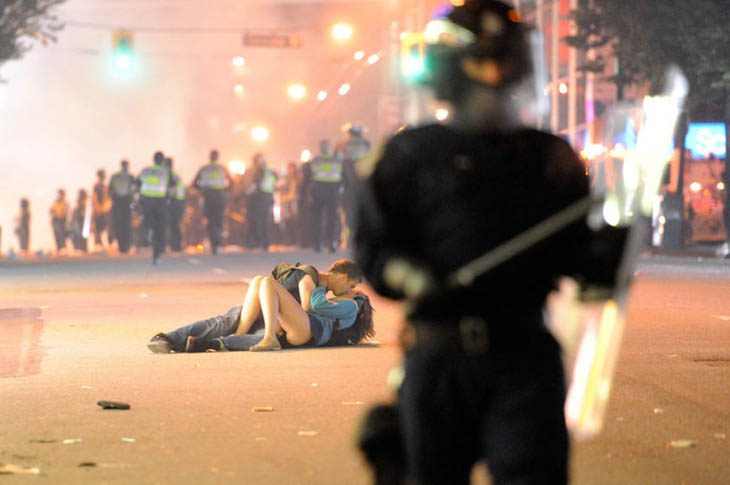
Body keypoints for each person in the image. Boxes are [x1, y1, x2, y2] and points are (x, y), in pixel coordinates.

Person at [354, 2, 625, 484]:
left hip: (524, 357)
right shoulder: (410, 155)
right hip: (439, 358)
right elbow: (376, 251)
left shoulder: (550, 159)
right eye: (482, 64)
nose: (493, 81)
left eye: (503, 63)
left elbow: (580, 262)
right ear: (451, 72)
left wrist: (608, 255)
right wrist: (413, 277)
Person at [147, 259, 363, 353]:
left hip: (274, 316)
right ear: (343, 276)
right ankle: (170, 339)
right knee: (227, 321)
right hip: (269, 312)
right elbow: (308, 307)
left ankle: (175, 341)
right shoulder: (311, 277)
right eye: (350, 285)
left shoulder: (327, 292)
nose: (348, 291)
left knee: (226, 324)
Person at [193, 149, 233, 255]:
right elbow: (231, 182)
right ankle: (218, 243)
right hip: (220, 196)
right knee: (219, 219)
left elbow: (195, 184)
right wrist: (225, 191)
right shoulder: (222, 169)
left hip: (208, 196)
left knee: (210, 220)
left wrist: (202, 191)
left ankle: (213, 244)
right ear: (217, 157)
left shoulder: (204, 169)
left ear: (209, 157)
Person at [137, 151, 173, 264]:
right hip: (160, 202)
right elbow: (173, 187)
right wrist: (169, 198)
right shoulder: (166, 172)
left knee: (146, 221)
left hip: (146, 201)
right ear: (162, 160)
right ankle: (157, 253)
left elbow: (136, 184)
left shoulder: (146, 170)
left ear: (153, 159)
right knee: (160, 227)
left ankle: (147, 232)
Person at [310, 140, 343, 253]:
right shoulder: (336, 160)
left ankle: (318, 244)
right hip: (333, 192)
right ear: (329, 148)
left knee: (318, 218)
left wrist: (304, 191)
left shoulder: (316, 160)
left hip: (318, 192)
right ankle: (332, 242)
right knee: (332, 218)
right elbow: (345, 176)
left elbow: (308, 177)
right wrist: (343, 189)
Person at [245, 152, 276, 251]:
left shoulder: (260, 169)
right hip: (268, 196)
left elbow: (255, 183)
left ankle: (259, 242)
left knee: (257, 220)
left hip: (260, 197)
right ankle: (266, 242)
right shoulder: (269, 169)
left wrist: (247, 193)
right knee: (265, 220)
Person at [109, 159, 135, 253]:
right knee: (126, 225)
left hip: (117, 203)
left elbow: (110, 191)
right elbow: (133, 191)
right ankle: (125, 246)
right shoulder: (130, 177)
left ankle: (122, 246)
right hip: (126, 203)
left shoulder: (115, 177)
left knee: (119, 225)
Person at [165, 157, 186, 252]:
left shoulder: (168, 175)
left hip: (172, 201)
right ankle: (176, 245)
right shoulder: (176, 174)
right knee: (175, 224)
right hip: (179, 202)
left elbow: (173, 189)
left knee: (169, 224)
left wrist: (168, 199)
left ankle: (173, 245)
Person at [92, 169, 111, 250]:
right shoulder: (97, 185)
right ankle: (98, 245)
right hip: (99, 209)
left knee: (104, 227)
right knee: (99, 227)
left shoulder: (105, 186)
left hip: (105, 209)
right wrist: (97, 208)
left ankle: (103, 244)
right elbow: (95, 197)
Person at [50, 188, 69, 254]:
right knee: (57, 234)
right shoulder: (55, 203)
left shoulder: (65, 202)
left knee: (62, 235)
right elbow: (51, 211)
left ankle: (63, 248)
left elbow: (65, 212)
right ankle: (58, 248)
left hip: (62, 220)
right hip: (55, 221)